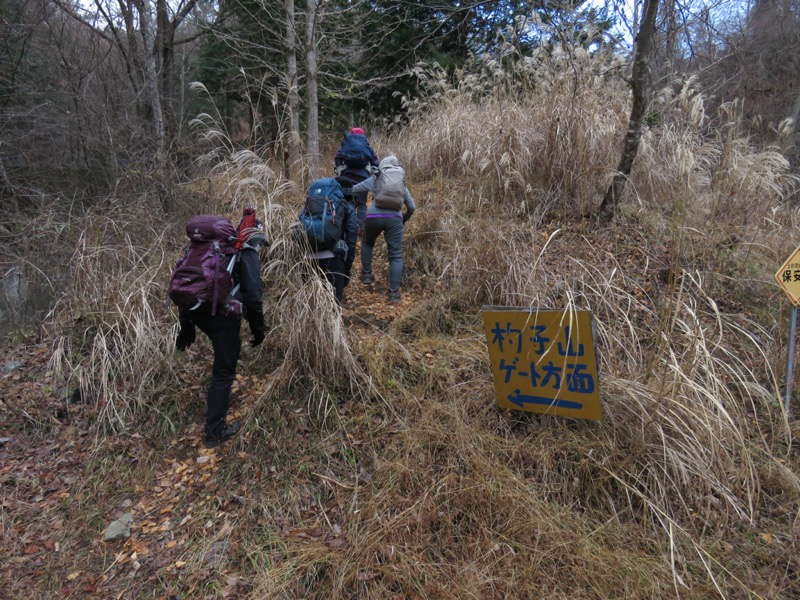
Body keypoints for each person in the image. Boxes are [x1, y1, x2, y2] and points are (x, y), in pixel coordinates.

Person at [175, 214, 267, 448]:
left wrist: (187, 328)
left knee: (224, 357)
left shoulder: (203, 248)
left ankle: (222, 398)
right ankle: (214, 433)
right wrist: (259, 331)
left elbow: (187, 286)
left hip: (195, 310)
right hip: (221, 316)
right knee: (224, 371)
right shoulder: (245, 252)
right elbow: (254, 297)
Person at [349, 155, 415, 303]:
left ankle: (366, 274)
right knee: (396, 256)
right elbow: (412, 207)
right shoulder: (401, 184)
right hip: (395, 219)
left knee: (367, 242)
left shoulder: (375, 179)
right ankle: (393, 292)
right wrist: (404, 218)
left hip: (373, 217)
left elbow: (354, 189)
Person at [304, 182, 358, 305]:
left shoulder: (310, 205)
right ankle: (332, 324)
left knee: (310, 304)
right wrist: (346, 267)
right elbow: (351, 238)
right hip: (333, 260)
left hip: (307, 260)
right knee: (333, 305)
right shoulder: (346, 207)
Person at [334, 127, 379, 236]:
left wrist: (340, 168)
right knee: (362, 204)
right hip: (363, 177)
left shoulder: (346, 144)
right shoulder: (366, 146)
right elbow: (375, 162)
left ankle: (349, 228)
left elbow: (337, 158)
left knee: (349, 202)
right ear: (363, 135)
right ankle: (361, 228)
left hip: (347, 177)